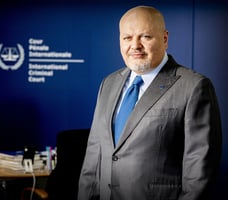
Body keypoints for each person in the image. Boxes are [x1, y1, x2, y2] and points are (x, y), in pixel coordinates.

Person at [78, 5, 222, 200]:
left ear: (164, 38)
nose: (135, 45)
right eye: (127, 38)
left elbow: (200, 170)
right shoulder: (109, 83)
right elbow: (94, 155)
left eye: (145, 36)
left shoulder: (194, 87)